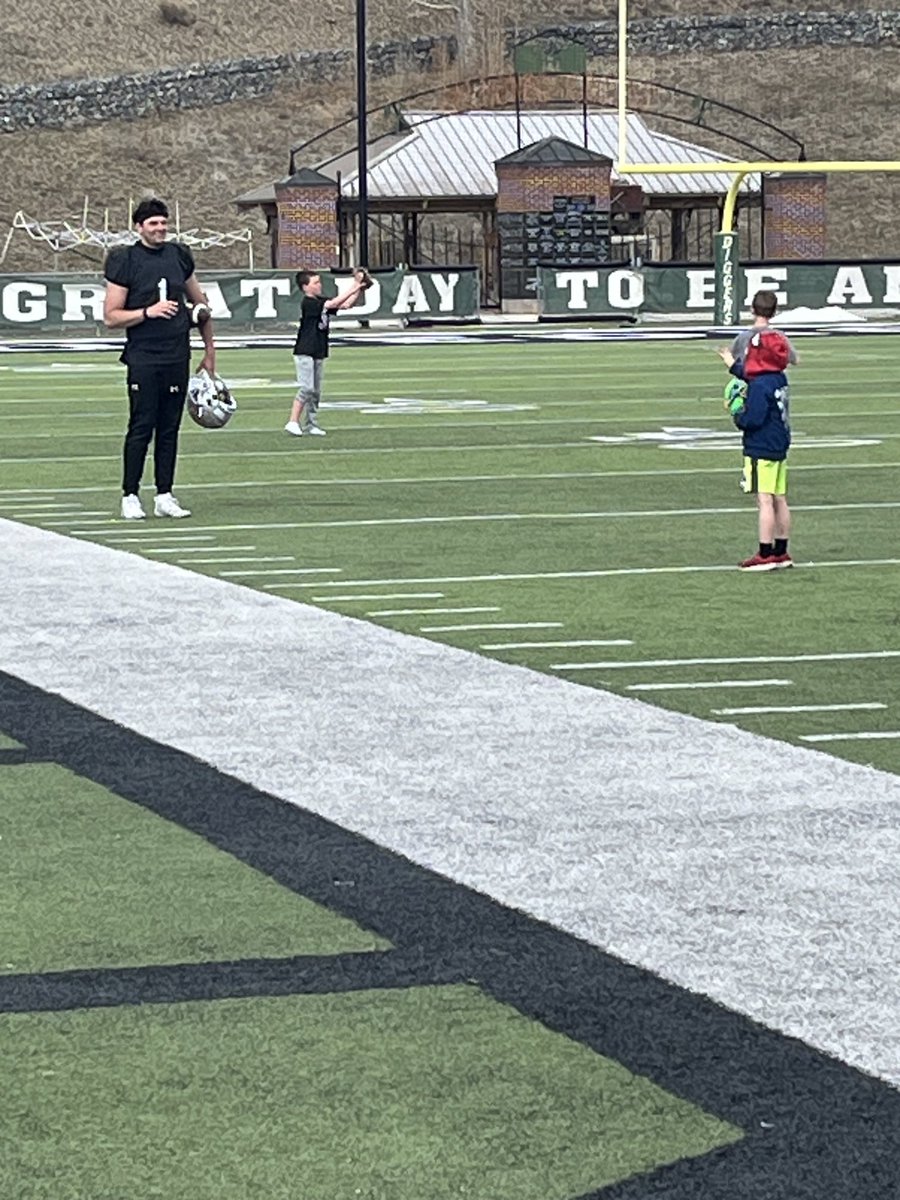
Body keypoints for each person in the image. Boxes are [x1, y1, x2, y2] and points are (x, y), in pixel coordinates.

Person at [103, 196, 215, 519]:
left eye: (163, 223)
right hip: (144, 356)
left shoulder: (179, 255)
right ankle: (130, 494)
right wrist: (147, 312)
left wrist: (210, 353)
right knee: (141, 425)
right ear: (139, 227)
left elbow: (202, 305)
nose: (160, 228)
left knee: (170, 428)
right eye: (153, 223)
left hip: (176, 354)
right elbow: (111, 317)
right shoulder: (125, 259)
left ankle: (164, 493)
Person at [719, 322, 795, 571]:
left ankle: (765, 553)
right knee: (779, 498)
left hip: (760, 446)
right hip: (779, 444)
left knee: (764, 500)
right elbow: (753, 374)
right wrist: (732, 365)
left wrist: (737, 412)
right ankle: (781, 551)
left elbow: (753, 419)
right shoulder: (778, 378)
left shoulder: (759, 386)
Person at [284, 268, 371, 437]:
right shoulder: (309, 302)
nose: (319, 285)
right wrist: (355, 285)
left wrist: (360, 288)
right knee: (306, 388)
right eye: (315, 283)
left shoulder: (320, 301)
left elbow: (345, 304)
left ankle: (311, 424)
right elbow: (332, 303)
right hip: (305, 350)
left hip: (318, 349)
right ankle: (293, 421)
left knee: (316, 391)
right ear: (305, 287)